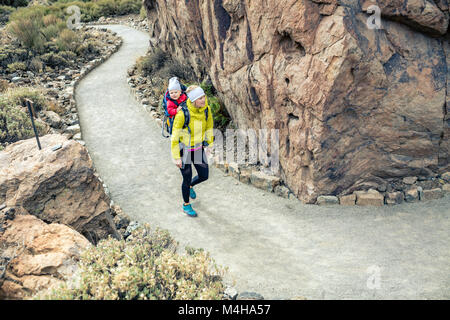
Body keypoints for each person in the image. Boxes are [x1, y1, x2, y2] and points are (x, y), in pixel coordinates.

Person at [170, 85, 214, 217]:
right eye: (200, 98)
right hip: (184, 151)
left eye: (204, 96)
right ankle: (186, 205)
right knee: (186, 178)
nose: (204, 100)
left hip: (198, 148)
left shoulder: (206, 109)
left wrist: (210, 144)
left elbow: (209, 126)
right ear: (194, 100)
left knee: (204, 175)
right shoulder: (182, 113)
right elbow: (175, 137)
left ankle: (190, 187)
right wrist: (176, 157)